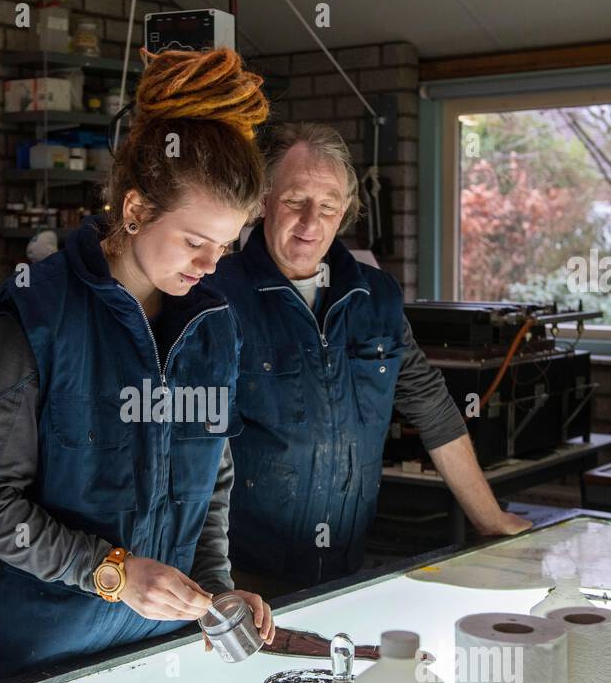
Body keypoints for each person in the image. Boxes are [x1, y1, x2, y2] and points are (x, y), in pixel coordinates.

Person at [0, 49, 276, 683]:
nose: (210, 265)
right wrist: (112, 572)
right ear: (136, 211)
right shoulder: (34, 319)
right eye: (193, 242)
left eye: (225, 248)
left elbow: (210, 482)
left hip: (153, 664)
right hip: (27, 668)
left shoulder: (212, 327)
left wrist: (216, 595)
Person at [204, 122, 531, 598]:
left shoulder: (375, 297)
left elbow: (432, 407)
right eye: (295, 201)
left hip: (346, 568)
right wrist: (210, 582)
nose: (310, 222)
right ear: (263, 201)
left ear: (345, 213)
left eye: (329, 206)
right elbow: (191, 447)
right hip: (245, 579)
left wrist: (490, 519)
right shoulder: (217, 295)